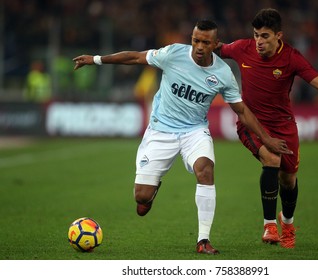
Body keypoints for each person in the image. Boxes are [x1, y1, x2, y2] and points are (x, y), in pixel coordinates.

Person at [73, 20, 292, 255]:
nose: (199, 46)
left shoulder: (222, 73)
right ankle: (153, 188)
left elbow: (242, 111)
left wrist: (267, 139)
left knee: (205, 170)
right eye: (195, 40)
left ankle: (203, 240)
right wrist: (96, 59)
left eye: (205, 42)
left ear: (215, 44)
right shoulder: (173, 54)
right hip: (160, 131)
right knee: (141, 200)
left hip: (194, 131)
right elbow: (135, 57)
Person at [216, 8, 318, 248]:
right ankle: (269, 225)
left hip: (284, 126)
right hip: (251, 124)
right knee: (271, 159)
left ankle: (288, 223)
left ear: (278, 36)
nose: (259, 41)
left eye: (264, 36)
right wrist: (192, 49)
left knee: (288, 180)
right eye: (256, 35)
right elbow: (216, 48)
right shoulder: (242, 48)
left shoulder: (292, 58)